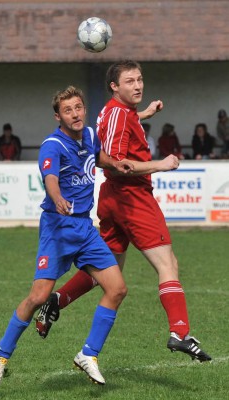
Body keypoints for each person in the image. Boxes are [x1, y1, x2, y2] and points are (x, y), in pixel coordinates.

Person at [36, 61, 211, 363]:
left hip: (113, 200)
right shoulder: (118, 114)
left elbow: (116, 126)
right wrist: (161, 164)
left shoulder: (113, 111)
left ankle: (56, 300)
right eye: (129, 81)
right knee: (168, 263)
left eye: (140, 79)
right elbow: (117, 162)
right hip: (132, 198)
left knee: (109, 266)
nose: (138, 85)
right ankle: (180, 332)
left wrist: (145, 114)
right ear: (114, 87)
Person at [0, 86, 134, 387]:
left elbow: (97, 156)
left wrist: (114, 164)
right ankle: (0, 356)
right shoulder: (52, 145)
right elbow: (50, 179)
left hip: (84, 229)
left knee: (117, 289)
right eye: (68, 110)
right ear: (58, 116)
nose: (75, 114)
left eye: (78, 107)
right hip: (57, 227)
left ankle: (88, 354)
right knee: (38, 296)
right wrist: (57, 198)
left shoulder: (90, 135)